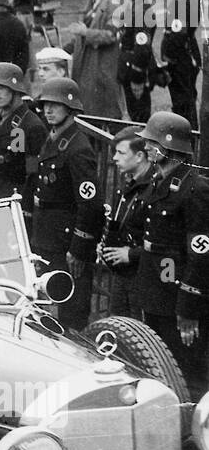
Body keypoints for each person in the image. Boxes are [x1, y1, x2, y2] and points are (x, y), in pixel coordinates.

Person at [135, 111, 209, 397]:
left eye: (151, 144)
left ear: (166, 148)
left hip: (178, 297)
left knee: (187, 371)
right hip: (156, 289)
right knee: (161, 365)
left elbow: (201, 253)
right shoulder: (160, 179)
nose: (146, 148)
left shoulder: (195, 188)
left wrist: (189, 308)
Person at [29, 76, 103, 331]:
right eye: (45, 104)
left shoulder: (78, 147)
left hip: (66, 240)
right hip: (47, 235)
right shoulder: (54, 138)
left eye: (55, 105)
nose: (48, 110)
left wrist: (79, 248)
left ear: (70, 109)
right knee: (47, 301)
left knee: (71, 307)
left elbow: (90, 204)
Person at [0, 62, 47, 222]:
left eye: (1, 88)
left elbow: (32, 176)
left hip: (14, 203)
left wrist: (25, 212)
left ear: (15, 89)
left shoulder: (31, 125)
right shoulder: (0, 119)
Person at [97, 127, 151, 319]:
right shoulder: (129, 184)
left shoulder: (154, 189)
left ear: (139, 156)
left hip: (142, 276)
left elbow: (164, 242)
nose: (115, 159)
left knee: (138, 334)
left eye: (121, 153)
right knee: (117, 327)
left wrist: (131, 254)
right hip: (122, 274)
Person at [64, 0, 122, 120]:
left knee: (104, 113)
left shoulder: (113, 6)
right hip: (86, 68)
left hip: (102, 67)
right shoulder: (91, 4)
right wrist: (64, 50)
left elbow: (110, 35)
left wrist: (85, 33)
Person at [159, 0, 202, 126]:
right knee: (180, 104)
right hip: (181, 55)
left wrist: (169, 58)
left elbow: (179, 33)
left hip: (182, 57)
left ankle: (189, 147)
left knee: (184, 105)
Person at [115, 0, 153, 123]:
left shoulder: (143, 10)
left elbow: (142, 47)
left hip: (135, 68)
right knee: (133, 112)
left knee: (139, 116)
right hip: (127, 66)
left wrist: (137, 76)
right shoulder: (132, 7)